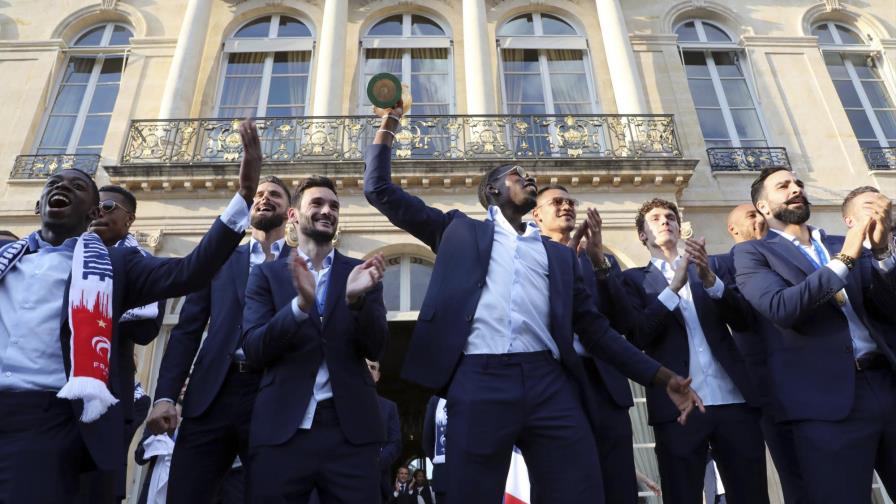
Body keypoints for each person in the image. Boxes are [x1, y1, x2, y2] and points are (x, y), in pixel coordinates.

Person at [364, 100, 702, 504]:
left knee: (579, 489)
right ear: (492, 190)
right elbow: (379, 190)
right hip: (479, 377)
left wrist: (664, 378)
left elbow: (597, 331)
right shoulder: (457, 231)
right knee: (469, 494)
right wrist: (390, 123)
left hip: (548, 381)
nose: (530, 178)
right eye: (517, 175)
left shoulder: (558, 256)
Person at [0, 118, 262, 503]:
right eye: (54, 184)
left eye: (77, 187)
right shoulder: (6, 258)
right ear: (39, 204)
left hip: (45, 421)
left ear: (93, 215)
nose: (62, 187)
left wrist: (243, 196)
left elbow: (192, 271)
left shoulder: (115, 266)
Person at [733, 167, 896, 503]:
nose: (795, 188)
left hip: (886, 383)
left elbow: (888, 311)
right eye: (783, 186)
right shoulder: (754, 254)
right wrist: (847, 257)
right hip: (826, 406)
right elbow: (781, 308)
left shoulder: (843, 243)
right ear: (763, 207)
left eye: (798, 183)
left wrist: (881, 256)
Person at [146, 175, 292, 504]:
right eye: (258, 195)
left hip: (274, 393)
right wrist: (165, 395)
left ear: (290, 211)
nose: (265, 199)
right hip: (212, 395)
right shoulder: (221, 260)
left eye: (275, 195)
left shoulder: (303, 265)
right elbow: (186, 330)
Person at [243, 175, 389, 503]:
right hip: (282, 431)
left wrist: (356, 302)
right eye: (317, 204)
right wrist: (299, 308)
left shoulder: (361, 273)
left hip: (351, 434)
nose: (328, 211)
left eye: (334, 206)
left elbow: (376, 346)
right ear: (293, 215)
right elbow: (254, 349)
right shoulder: (266, 274)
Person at [616, 198, 768, 504]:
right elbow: (639, 335)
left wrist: (711, 281)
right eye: (655, 218)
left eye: (670, 216)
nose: (665, 221)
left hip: (734, 401)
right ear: (642, 235)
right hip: (677, 410)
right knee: (682, 495)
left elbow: (743, 320)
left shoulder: (712, 269)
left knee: (752, 494)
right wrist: (673, 288)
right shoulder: (633, 281)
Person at [531, 185, 638, 503]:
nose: (566, 206)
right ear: (536, 215)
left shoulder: (599, 259)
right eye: (556, 202)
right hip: (556, 382)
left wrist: (600, 263)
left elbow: (625, 323)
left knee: (617, 483)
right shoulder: (529, 256)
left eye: (569, 202)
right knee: (565, 484)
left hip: (605, 383)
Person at [76, 185, 168, 504]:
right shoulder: (65, 253)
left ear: (128, 220)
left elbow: (146, 330)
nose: (98, 211)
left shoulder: (139, 265)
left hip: (110, 397)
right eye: (94, 206)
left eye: (109, 206)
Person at [725, 203, 809, 503]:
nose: (759, 219)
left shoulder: (796, 255)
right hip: (770, 386)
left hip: (814, 376)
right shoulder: (725, 263)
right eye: (751, 216)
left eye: (761, 214)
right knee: (795, 474)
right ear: (732, 229)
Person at [368, 359, 403, 504]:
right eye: (364, 366)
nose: (368, 370)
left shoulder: (389, 407)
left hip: (378, 482)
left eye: (372, 367)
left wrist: (375, 464)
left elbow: (395, 444)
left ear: (378, 375)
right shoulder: (341, 404)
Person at [422, 396, 448, 504]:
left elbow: (427, 440)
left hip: (443, 475)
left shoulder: (436, 400)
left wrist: (437, 461)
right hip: (470, 474)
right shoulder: (473, 392)